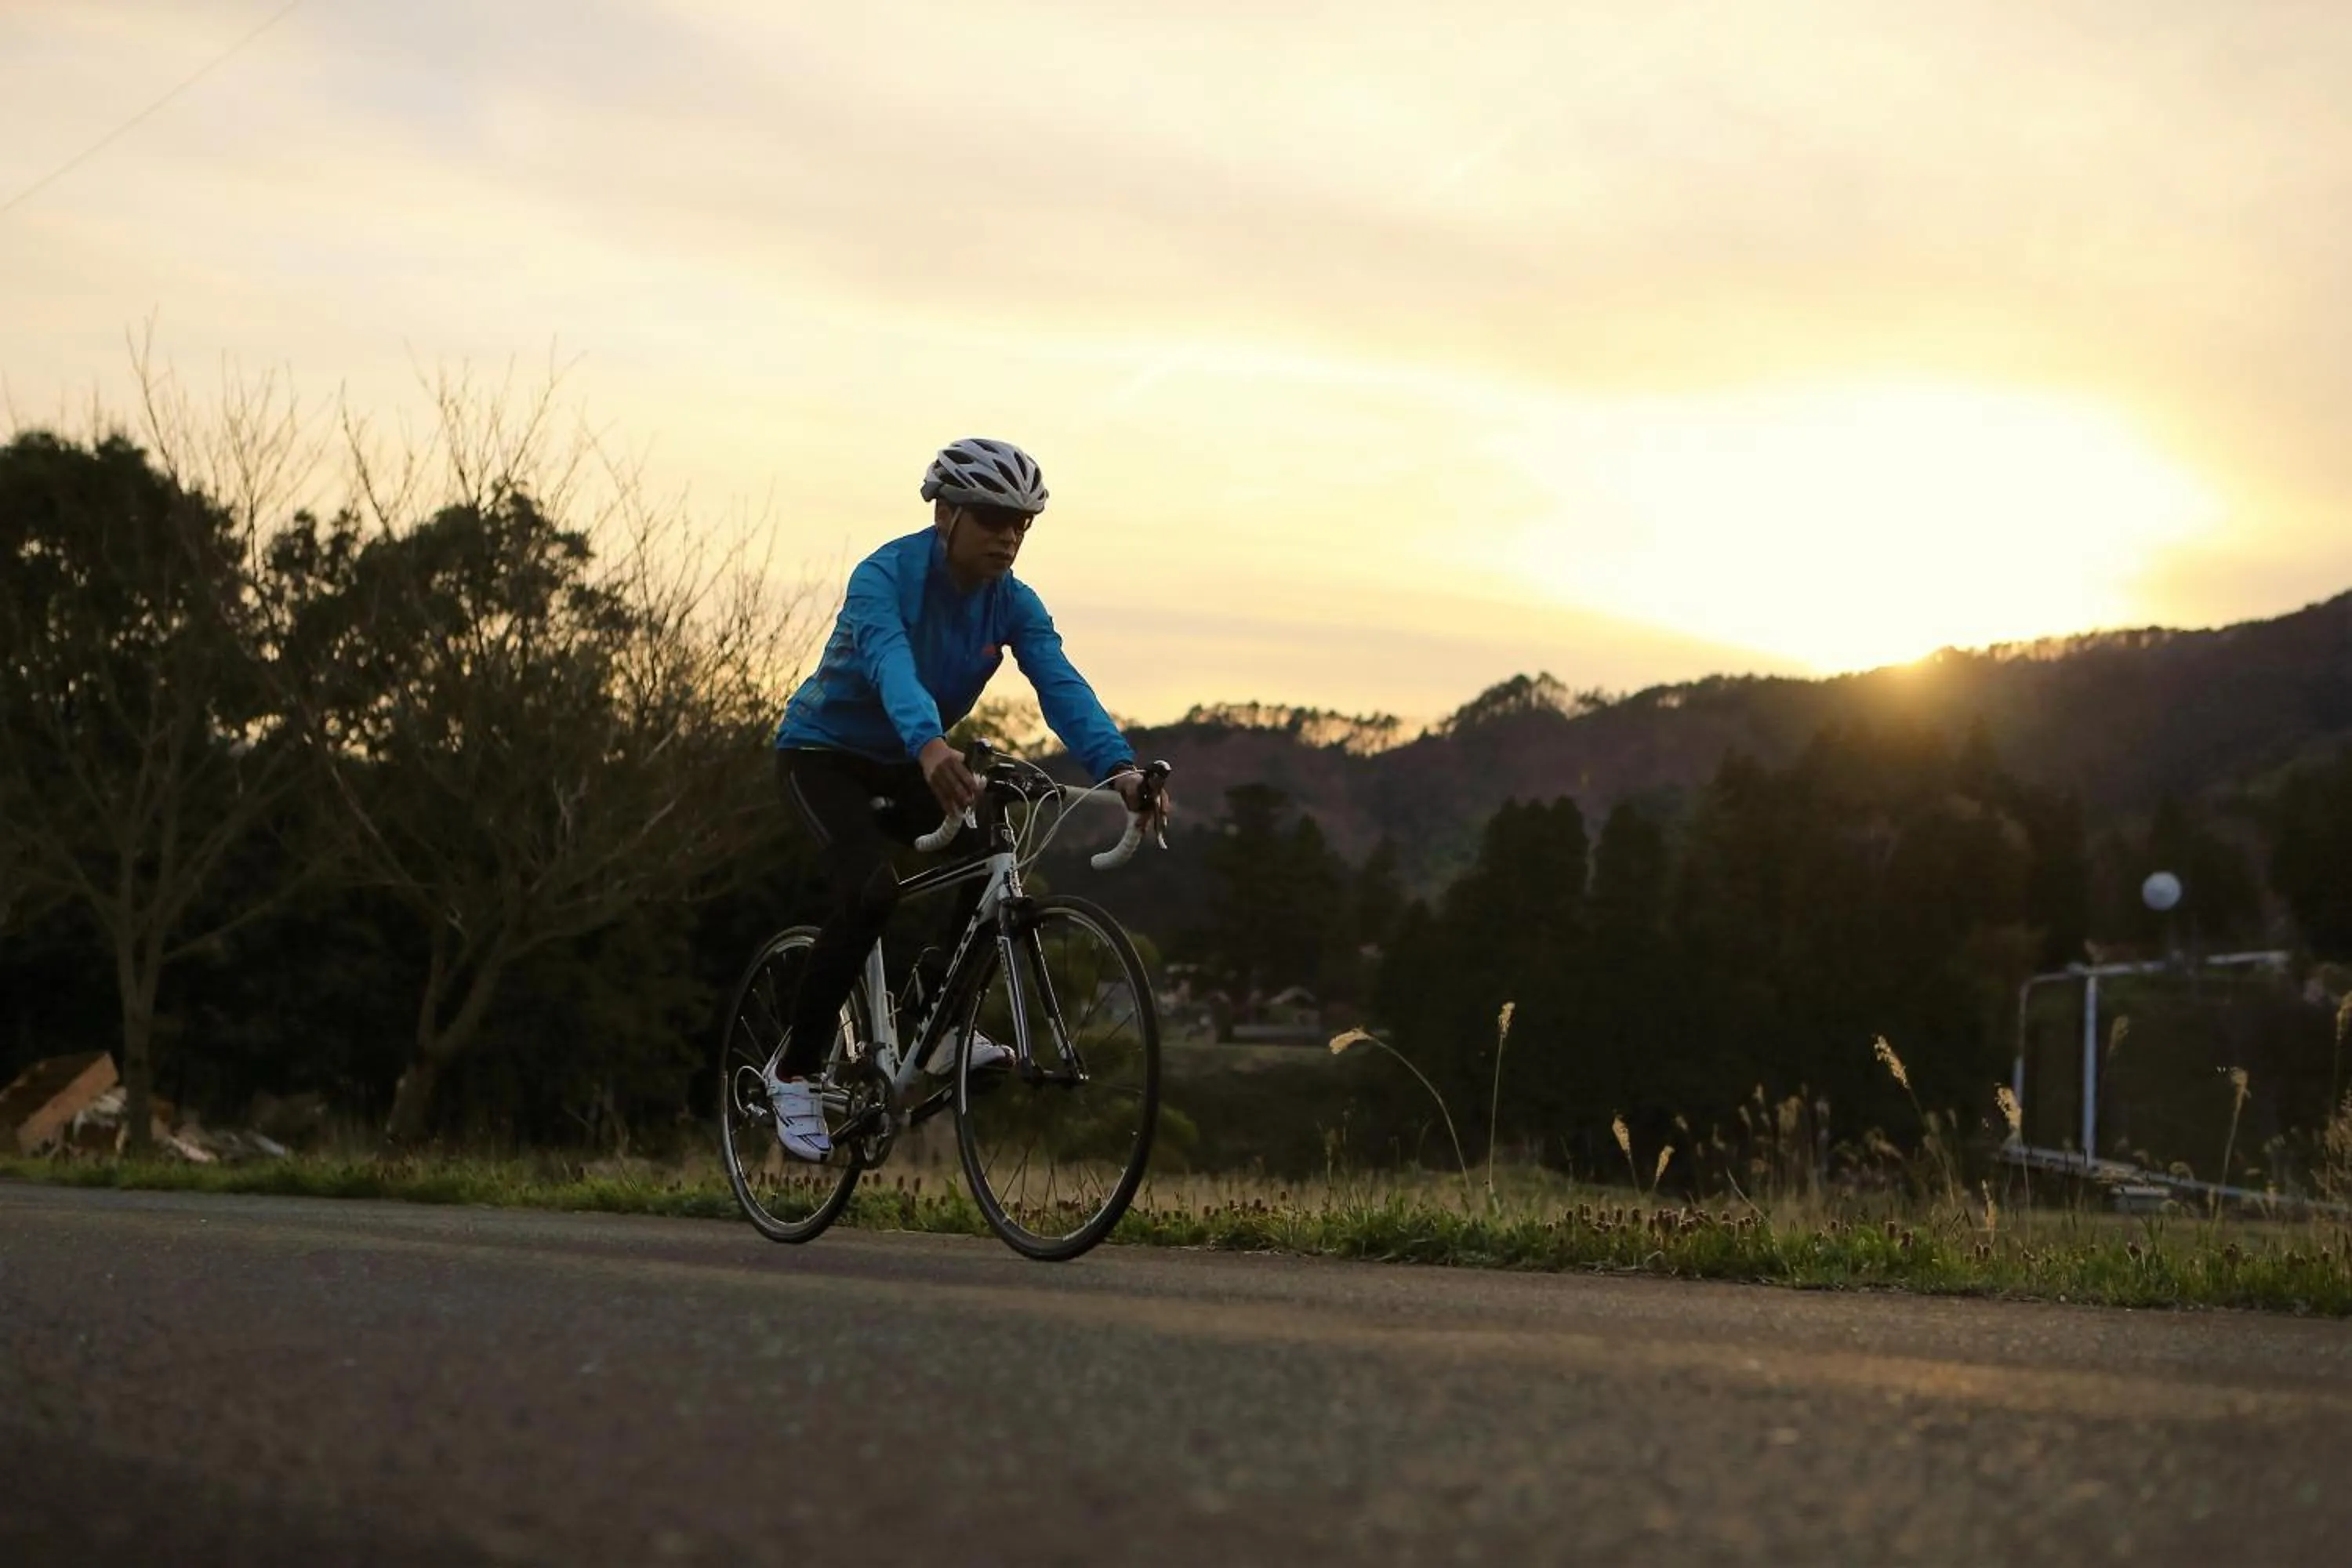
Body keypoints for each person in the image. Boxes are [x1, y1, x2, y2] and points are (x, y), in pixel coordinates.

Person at [764, 437, 1169, 1160]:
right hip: (823, 755)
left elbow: (1059, 682)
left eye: (1022, 523)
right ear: (945, 513)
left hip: (913, 759)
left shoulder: (1013, 603)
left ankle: (936, 1022)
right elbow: (890, 664)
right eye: (992, 518)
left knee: (992, 844)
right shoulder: (883, 576)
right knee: (870, 892)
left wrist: (1121, 769)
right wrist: (929, 744)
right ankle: (794, 1071)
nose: (1009, 536)